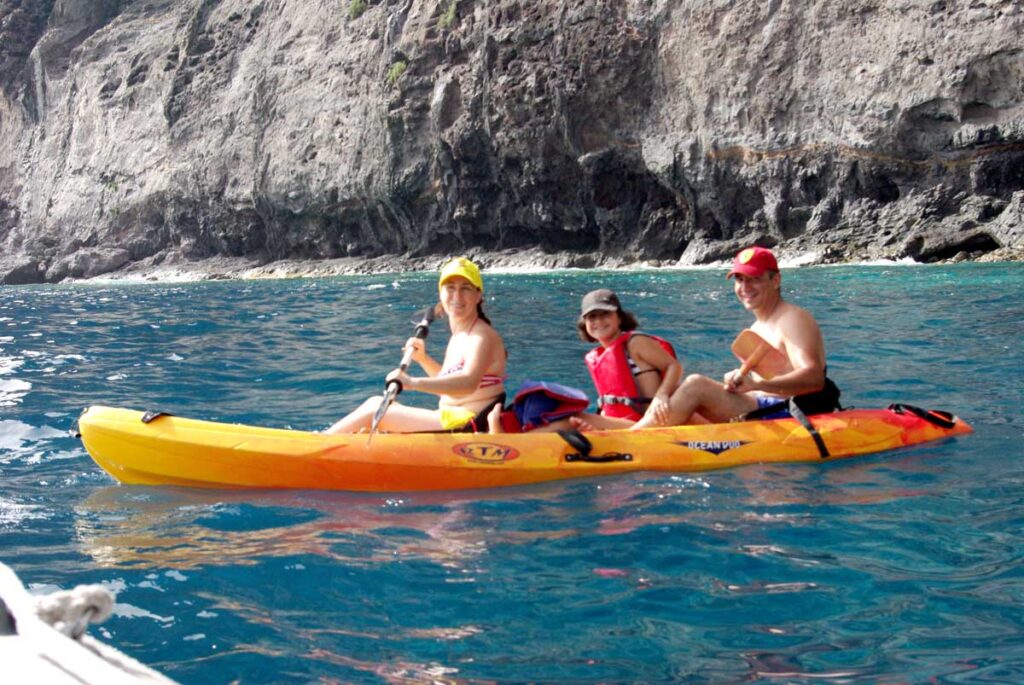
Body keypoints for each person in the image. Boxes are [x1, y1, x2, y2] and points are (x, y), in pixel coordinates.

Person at [631, 246, 841, 429]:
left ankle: (629, 440)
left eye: (755, 279)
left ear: (775, 280)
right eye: (740, 279)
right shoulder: (757, 327)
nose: (745, 288)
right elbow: (756, 384)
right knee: (679, 394)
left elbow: (814, 378)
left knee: (695, 385)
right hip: (760, 404)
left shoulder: (793, 318)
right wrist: (739, 383)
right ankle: (626, 431)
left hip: (787, 412)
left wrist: (757, 385)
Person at [325, 257, 507, 434]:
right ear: (441, 293)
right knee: (379, 403)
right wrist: (423, 359)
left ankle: (315, 445)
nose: (457, 296)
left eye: (465, 288)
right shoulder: (460, 335)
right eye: (450, 288)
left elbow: (467, 384)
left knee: (375, 409)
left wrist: (412, 383)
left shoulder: (481, 336)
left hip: (467, 424)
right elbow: (450, 387)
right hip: (451, 418)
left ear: (478, 295)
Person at [488, 289, 683, 432]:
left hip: (646, 421)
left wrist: (662, 396)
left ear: (620, 318)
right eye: (592, 317)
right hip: (623, 422)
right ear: (585, 324)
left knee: (571, 419)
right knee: (560, 415)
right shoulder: (597, 356)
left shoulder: (635, 342)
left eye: (605, 314)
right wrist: (599, 423)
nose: (598, 322)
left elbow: (673, 366)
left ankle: (515, 447)